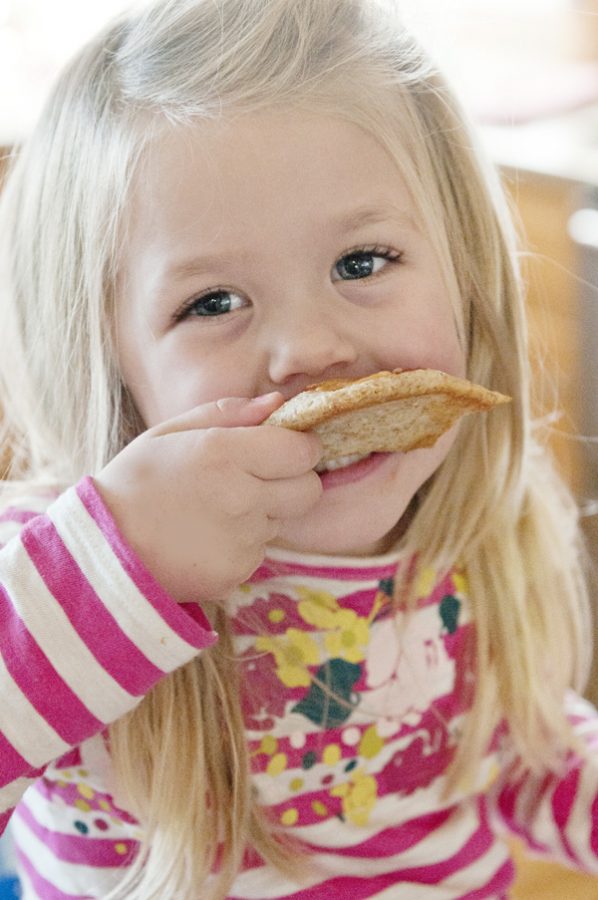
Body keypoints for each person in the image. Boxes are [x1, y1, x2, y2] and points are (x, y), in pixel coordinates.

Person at [0, 0, 596, 896]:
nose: (311, 352)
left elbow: (521, 751)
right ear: (112, 367)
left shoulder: (475, 533)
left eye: (362, 262)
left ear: (467, 276)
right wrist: (125, 560)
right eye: (212, 303)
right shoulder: (56, 573)